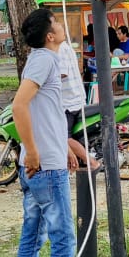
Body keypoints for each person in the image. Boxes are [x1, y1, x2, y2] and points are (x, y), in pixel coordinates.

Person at [10, 8, 78, 257]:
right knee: (63, 237)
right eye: (56, 22)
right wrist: (35, 151)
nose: (61, 25)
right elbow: (19, 106)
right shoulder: (45, 59)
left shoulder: (43, 60)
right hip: (45, 168)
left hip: (41, 162)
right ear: (49, 35)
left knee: (33, 236)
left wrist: (61, 145)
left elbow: (44, 111)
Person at [58, 35, 98, 169]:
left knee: (63, 137)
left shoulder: (60, 49)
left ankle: (92, 163)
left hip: (68, 102)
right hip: (75, 97)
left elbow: (62, 73)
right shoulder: (66, 47)